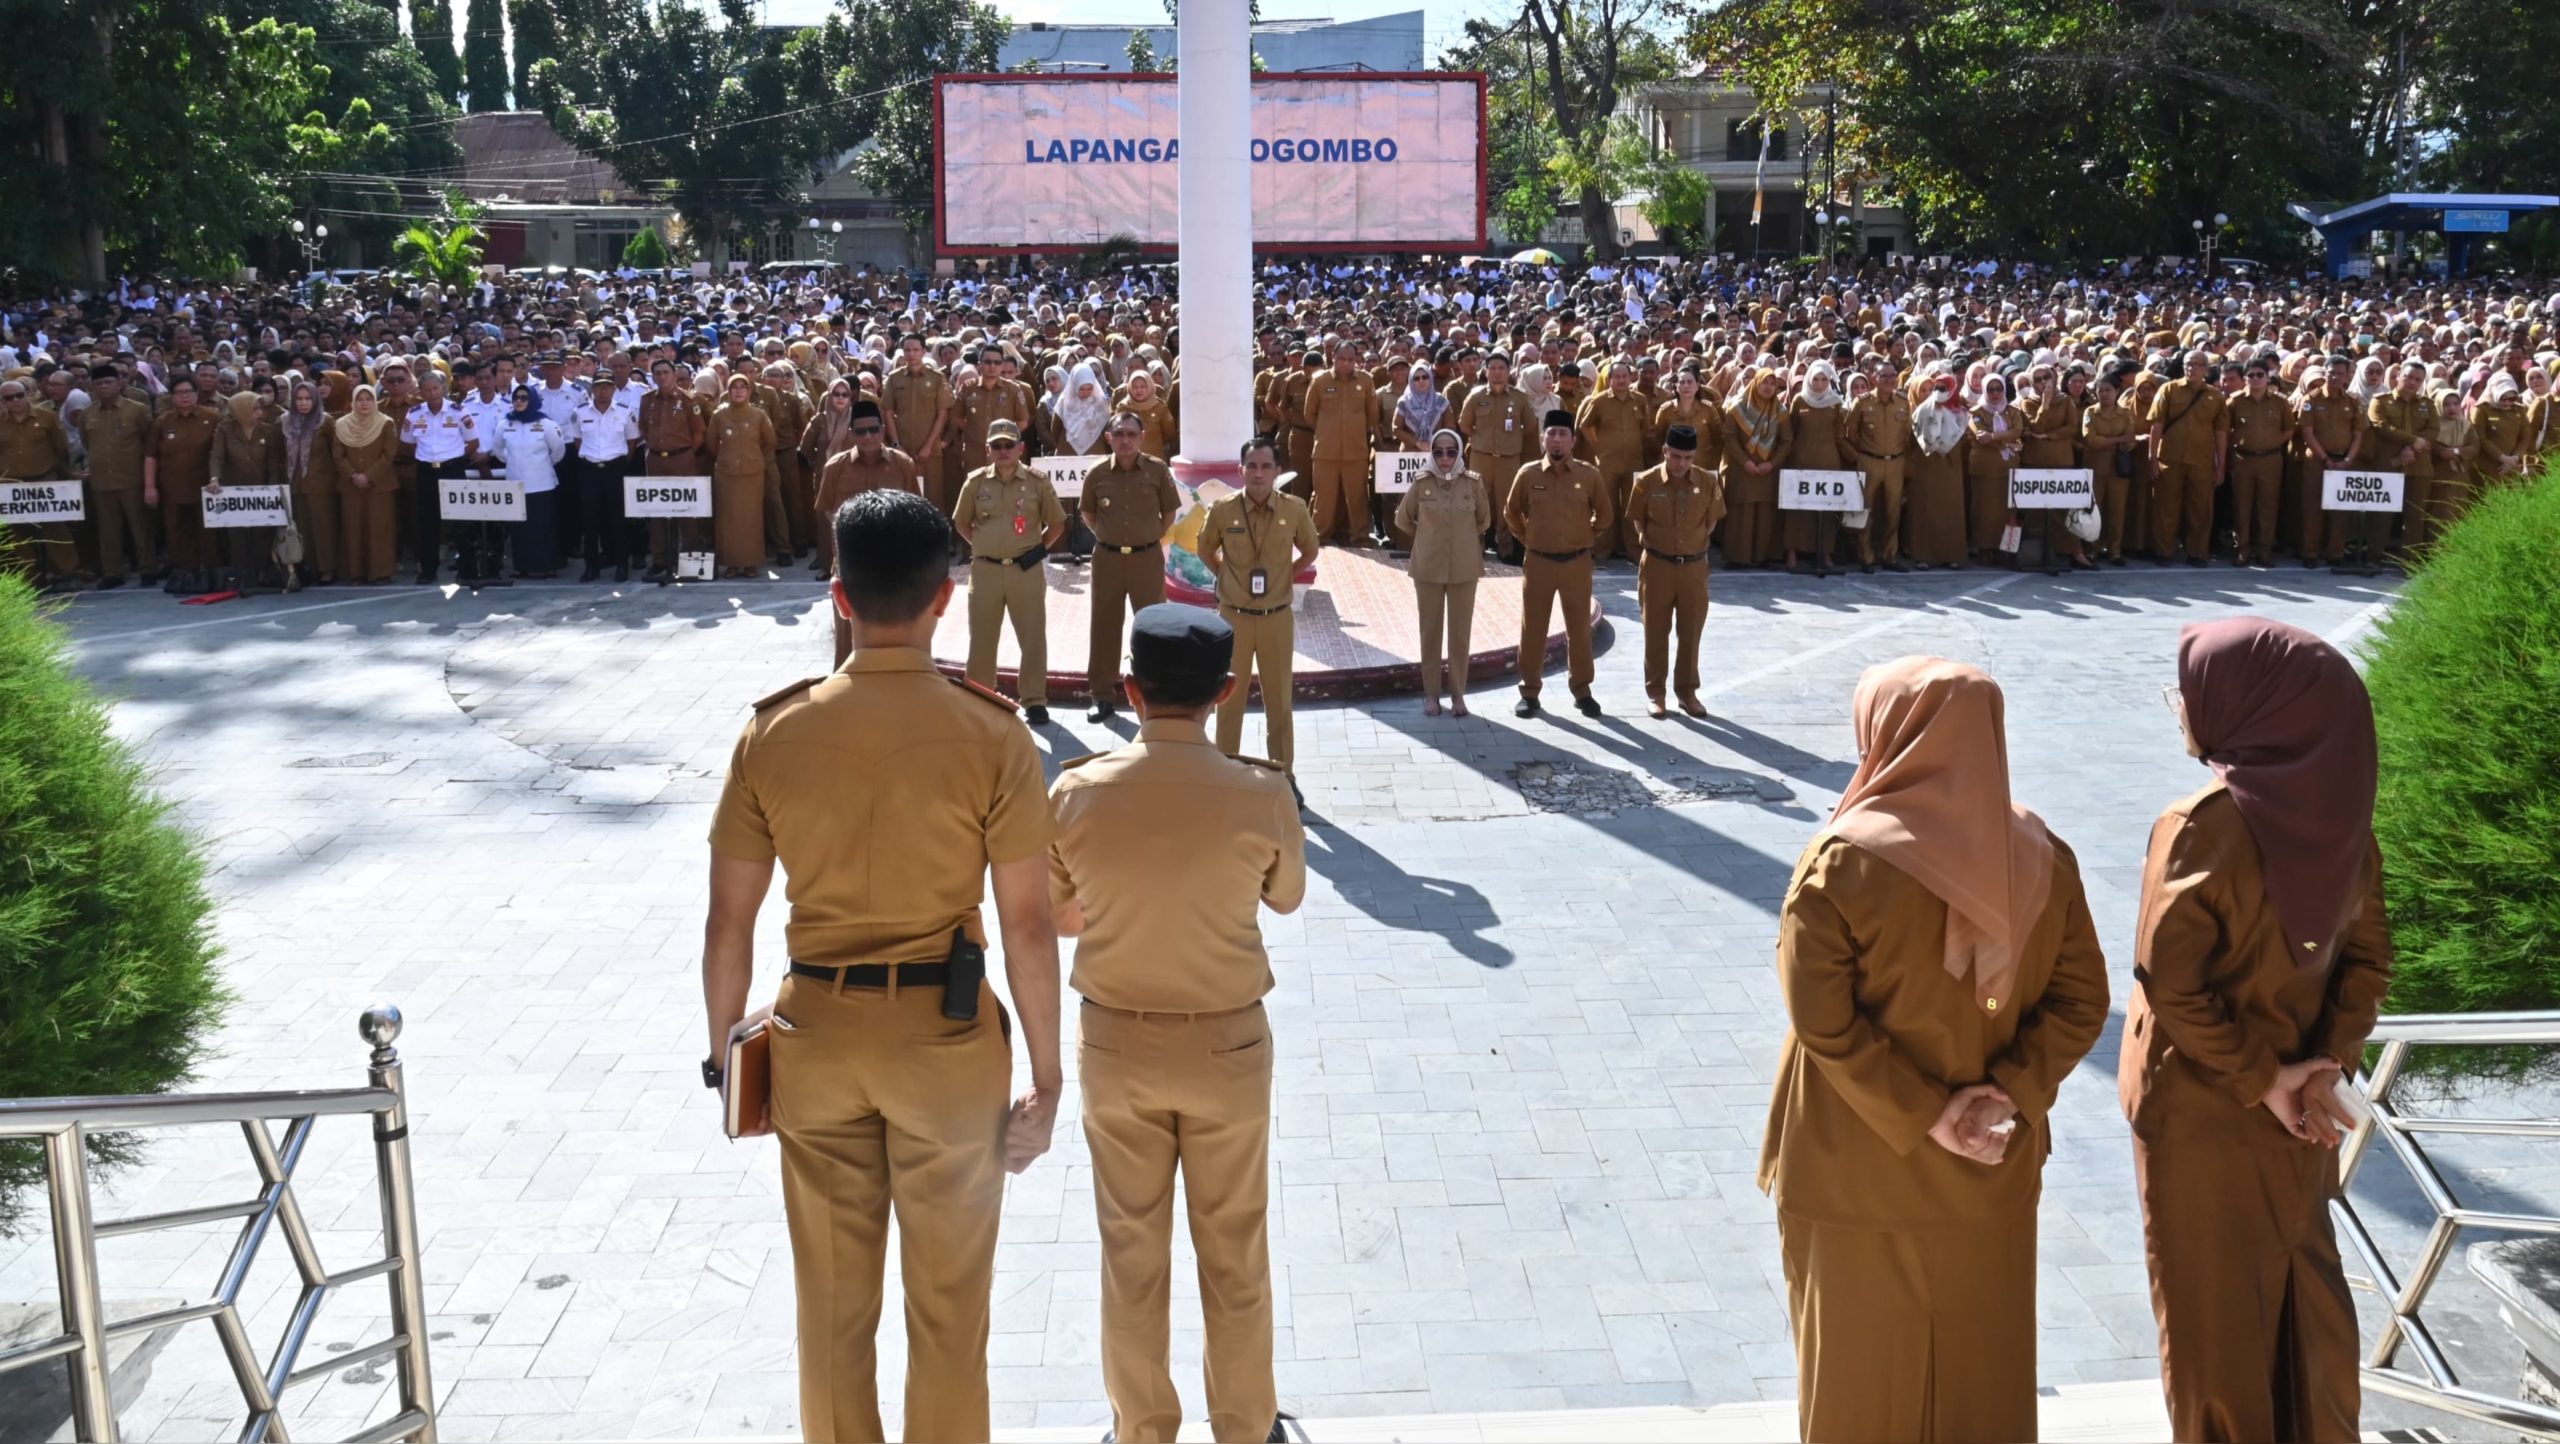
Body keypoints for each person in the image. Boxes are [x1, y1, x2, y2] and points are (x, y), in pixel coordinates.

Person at [701, 487, 1062, 1444]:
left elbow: (725, 925)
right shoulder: (992, 733)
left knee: (830, 1315)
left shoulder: (772, 731)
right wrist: (1050, 1078)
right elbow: (1027, 925)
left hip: (814, 1032)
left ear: (839, 597)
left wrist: (725, 1057)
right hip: (945, 1044)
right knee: (948, 1318)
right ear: (947, 596)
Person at [1761, 655, 2108, 1444]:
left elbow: (1825, 1023)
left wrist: (1924, 1113)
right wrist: (2005, 1093)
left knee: (1858, 1388)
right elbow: (2082, 1000)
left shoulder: (1842, 863)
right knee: (1979, 1385)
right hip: (1990, 1162)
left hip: (1854, 1169)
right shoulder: (2044, 858)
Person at [2122, 618, 2392, 1444]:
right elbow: (2370, 960)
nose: (2180, 707)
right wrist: (2320, 1069)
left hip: (2203, 1114)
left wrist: (2259, 1079)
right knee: (2301, 1294)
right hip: (2301, 1111)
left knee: (2212, 1320)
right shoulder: (2342, 818)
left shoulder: (2204, 821)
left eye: (2194, 691)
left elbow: (2171, 982)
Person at [1047, 601, 1306, 1444]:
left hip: (1117, 1042)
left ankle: (1141, 1429)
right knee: (1234, 1252)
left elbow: (1061, 917)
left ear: (1129, 688)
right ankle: (1243, 1423)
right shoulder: (1260, 790)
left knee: (1130, 1253)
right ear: (1227, 692)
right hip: (1227, 1043)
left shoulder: (1077, 793)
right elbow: (1287, 898)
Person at [1196, 436, 1320, 783]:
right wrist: (1226, 576)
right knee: (1229, 701)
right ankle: (1226, 776)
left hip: (1276, 618)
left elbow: (1310, 551)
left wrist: (1284, 577)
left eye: (1266, 466)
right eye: (1251, 466)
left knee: (1279, 703)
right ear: (1240, 470)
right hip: (1233, 617)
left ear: (1278, 471)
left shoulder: (1293, 509)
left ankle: (1283, 778)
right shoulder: (1223, 509)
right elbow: (1205, 549)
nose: (1258, 473)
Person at [952, 418, 1066, 725]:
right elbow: (961, 521)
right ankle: (979, 695)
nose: (1003, 451)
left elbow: (1056, 523)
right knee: (982, 638)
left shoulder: (1037, 482)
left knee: (1032, 637)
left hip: (1024, 571)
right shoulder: (975, 482)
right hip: (986, 570)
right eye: (997, 446)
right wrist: (983, 544)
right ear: (988, 450)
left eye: (1009, 445)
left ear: (1020, 447)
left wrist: (1038, 549)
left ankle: (1034, 700)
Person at [1504, 408, 1609, 719]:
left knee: (1579, 630)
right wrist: (1531, 539)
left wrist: (1584, 536)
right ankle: (1529, 691)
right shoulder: (1528, 474)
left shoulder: (1589, 475)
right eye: (1552, 434)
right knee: (1533, 628)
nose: (1558, 440)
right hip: (1538, 563)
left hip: (1577, 562)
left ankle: (1582, 690)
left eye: (1564, 434)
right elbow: (1511, 513)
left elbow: (1604, 515)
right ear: (1542, 439)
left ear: (1573, 440)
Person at [1079, 412, 1183, 723]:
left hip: (1146, 558)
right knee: (1104, 625)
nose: (1125, 440)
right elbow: (1088, 514)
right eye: (1119, 433)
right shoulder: (1097, 473)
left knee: (1153, 626)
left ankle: (1157, 692)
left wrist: (1147, 538)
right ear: (1108, 437)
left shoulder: (1157, 470)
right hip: (1108, 559)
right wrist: (1108, 538)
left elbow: (1169, 514)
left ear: (1141, 436)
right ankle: (1102, 695)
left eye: (1131, 434)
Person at [1393, 427, 1494, 717]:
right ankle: (1431, 694)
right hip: (1428, 567)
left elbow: (1483, 520)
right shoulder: (1422, 482)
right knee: (1430, 632)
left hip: (1464, 567)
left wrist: (1461, 538)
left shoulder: (1472, 483)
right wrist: (1426, 535)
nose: (1445, 457)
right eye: (1438, 452)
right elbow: (1403, 519)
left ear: (1460, 452)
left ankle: (1458, 694)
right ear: (1431, 454)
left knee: (1460, 635)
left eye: (1451, 451)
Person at [1627, 422, 1724, 719]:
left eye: (1688, 457)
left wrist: (1693, 546)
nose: (1682, 463)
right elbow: (1638, 520)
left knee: (1691, 631)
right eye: (1676, 456)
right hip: (1657, 566)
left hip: (1693, 567)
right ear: (1665, 451)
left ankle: (1687, 692)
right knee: (1655, 633)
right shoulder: (1646, 481)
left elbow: (1711, 521)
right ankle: (1656, 693)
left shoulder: (1708, 482)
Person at [76, 363, 157, 587]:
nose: (104, 387)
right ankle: (113, 572)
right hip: (101, 481)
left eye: (108, 382)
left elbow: (148, 442)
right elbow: (86, 442)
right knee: (108, 529)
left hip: (132, 478)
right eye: (99, 383)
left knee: (140, 526)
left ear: (119, 383)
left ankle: (148, 568)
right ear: (92, 387)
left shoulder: (137, 409)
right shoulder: (87, 414)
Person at [2148, 350, 2230, 565]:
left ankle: (2197, 552)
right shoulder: (2169, 389)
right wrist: (2152, 458)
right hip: (2169, 458)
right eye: (2187, 364)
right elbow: (2156, 426)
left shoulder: (2215, 396)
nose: (2191, 368)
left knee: (2200, 509)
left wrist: (2221, 465)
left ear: (2205, 368)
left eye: (2196, 364)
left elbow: (2221, 433)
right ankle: (2164, 551)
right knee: (2167, 508)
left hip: (2201, 461)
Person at [143, 376, 220, 590]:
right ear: (172, 397)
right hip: (172, 487)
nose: (184, 396)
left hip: (206, 488)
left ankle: (209, 573)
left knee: (207, 532)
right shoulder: (162, 422)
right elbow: (151, 456)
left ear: (197, 394)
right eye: (179, 392)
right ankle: (186, 573)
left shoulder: (213, 418)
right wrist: (150, 486)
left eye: (188, 391)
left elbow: (220, 453)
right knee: (176, 531)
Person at [1459, 353, 1536, 561]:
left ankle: (1506, 549)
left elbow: (1529, 426)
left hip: (1509, 460)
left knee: (1507, 505)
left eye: (1501, 368)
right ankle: (1478, 547)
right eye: (1492, 368)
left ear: (1509, 370)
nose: (1497, 372)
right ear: (1485, 371)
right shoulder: (1476, 396)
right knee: (1478, 503)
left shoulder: (1519, 398)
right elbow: (1464, 425)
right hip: (1481, 458)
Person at [209, 389, 285, 588]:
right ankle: (242, 574)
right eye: (255, 409)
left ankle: (262, 572)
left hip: (261, 492)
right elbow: (217, 456)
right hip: (234, 492)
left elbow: (273, 463)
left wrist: (272, 489)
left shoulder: (267, 431)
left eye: (260, 408)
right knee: (237, 536)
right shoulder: (224, 429)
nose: (259, 412)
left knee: (262, 534)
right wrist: (214, 478)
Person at [570, 373, 641, 583]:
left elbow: (631, 443)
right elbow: (577, 441)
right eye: (599, 387)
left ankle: (621, 565)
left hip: (615, 468)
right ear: (592, 389)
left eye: (608, 387)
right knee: (590, 521)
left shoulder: (625, 412)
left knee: (618, 519)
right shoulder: (579, 413)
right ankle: (591, 567)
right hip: (589, 469)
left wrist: (618, 463)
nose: (603, 391)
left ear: (613, 389)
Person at [1302, 341, 1375, 545]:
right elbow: (1310, 414)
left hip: (1356, 450)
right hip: (1326, 450)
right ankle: (1319, 536)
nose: (1346, 363)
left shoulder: (1366, 381)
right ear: (1333, 356)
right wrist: (1327, 431)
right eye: (1342, 358)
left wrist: (1355, 431)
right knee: (1323, 497)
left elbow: (1371, 415)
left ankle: (1360, 537)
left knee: (1358, 497)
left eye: (1350, 359)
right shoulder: (1320, 381)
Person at [406, 372, 474, 584]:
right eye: (426, 389)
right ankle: (428, 570)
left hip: (452, 469)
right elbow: (408, 442)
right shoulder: (414, 413)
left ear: (444, 389)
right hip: (426, 471)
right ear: (421, 392)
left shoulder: (459, 411)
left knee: (461, 521)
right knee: (427, 522)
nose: (431, 393)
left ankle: (467, 569)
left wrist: (457, 460)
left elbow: (473, 442)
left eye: (435, 388)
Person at [330, 384, 402, 585]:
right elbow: (338, 455)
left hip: (379, 486)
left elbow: (388, 454)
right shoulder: (341, 425)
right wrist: (353, 475)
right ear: (353, 402)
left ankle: (381, 572)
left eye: (368, 399)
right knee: (354, 529)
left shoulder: (385, 423)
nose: (364, 403)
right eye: (360, 399)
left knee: (379, 529)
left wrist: (368, 476)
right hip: (351, 486)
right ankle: (356, 573)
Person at [493, 385, 567, 579]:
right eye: (516, 397)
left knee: (543, 527)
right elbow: (498, 450)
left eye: (524, 397)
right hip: (516, 484)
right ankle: (521, 567)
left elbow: (558, 451)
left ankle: (548, 566)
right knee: (520, 529)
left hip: (542, 483)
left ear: (532, 399)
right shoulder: (505, 424)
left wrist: (543, 464)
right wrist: (514, 462)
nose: (519, 401)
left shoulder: (546, 424)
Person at [2226, 361, 2293, 567]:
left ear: (2267, 377)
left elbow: (2289, 429)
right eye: (2251, 375)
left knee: (2268, 506)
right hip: (2243, 459)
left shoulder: (2280, 403)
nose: (2255, 379)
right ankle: (2242, 549)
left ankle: (2265, 550)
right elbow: (2224, 430)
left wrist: (2272, 444)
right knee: (2242, 505)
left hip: (2270, 460)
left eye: (2260, 375)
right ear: (2245, 378)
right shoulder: (2234, 402)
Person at [1845, 360, 1910, 572]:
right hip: (1869, 460)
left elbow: (1907, 434)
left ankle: (1889, 555)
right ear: (1875, 378)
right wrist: (1861, 457)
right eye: (1884, 376)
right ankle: (1866, 557)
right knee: (1864, 509)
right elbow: (1850, 435)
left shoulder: (1902, 402)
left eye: (1893, 376)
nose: (1889, 380)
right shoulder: (1862, 403)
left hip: (1895, 462)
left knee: (1894, 511)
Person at [710, 373, 776, 580]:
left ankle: (750, 563)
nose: (738, 391)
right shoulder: (719, 415)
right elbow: (711, 444)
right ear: (728, 392)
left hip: (752, 474)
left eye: (743, 387)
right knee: (727, 519)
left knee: (751, 519)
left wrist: (753, 457)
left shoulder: (758, 415)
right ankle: (730, 563)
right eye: (734, 387)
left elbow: (770, 441)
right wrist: (726, 458)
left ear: (749, 391)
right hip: (727, 474)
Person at [1719, 369, 1786, 569]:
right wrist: (1744, 461)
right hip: (1741, 469)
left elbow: (1787, 441)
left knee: (1765, 514)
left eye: (1772, 384)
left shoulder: (1780, 411)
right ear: (1755, 383)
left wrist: (1771, 463)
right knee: (1741, 513)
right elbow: (1729, 437)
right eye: (1764, 382)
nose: (1768, 387)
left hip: (1767, 470)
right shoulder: (1737, 408)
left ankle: (1761, 556)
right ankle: (1737, 557)